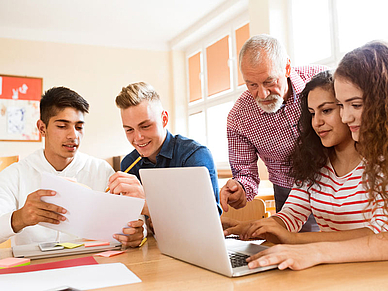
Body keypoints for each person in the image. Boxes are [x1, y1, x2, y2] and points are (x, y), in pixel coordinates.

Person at [246, 41, 388, 270]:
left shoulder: (379, 160)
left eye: (355, 105)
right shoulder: (317, 162)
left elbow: (381, 235)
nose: (347, 117)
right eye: (342, 106)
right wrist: (259, 229)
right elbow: (292, 213)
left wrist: (301, 242)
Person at [222, 70, 387, 244]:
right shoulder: (315, 163)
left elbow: (379, 232)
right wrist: (247, 228)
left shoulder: (380, 163)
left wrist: (296, 239)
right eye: (312, 113)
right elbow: (290, 216)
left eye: (326, 110)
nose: (317, 122)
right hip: (331, 265)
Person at [0, 87, 144, 247]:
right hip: (35, 266)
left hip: (92, 264)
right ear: (42, 128)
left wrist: (136, 234)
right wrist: (19, 218)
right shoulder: (15, 175)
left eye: (79, 127)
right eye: (62, 126)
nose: (73, 135)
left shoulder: (101, 171)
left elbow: (135, 224)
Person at [221, 34, 326, 231]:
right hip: (289, 193)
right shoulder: (238, 118)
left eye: (269, 82)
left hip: (339, 185)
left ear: (287, 67)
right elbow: (245, 173)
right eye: (252, 84)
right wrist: (240, 190)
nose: (262, 94)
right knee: (295, 251)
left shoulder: (322, 82)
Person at [108, 82, 221, 224]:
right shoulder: (129, 163)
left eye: (145, 126)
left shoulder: (194, 156)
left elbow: (208, 221)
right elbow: (136, 222)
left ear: (164, 119)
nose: (138, 138)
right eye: (129, 130)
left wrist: (147, 205)